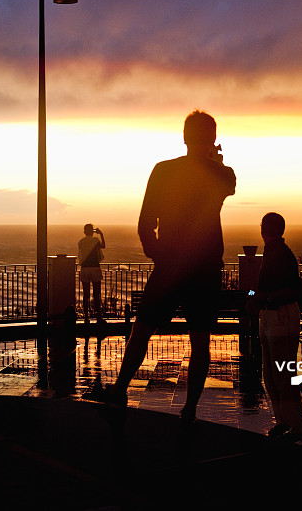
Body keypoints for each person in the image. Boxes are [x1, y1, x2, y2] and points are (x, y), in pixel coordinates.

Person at [84, 110, 236, 425]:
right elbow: (229, 185)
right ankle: (190, 410)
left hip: (169, 266)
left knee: (141, 329)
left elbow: (145, 222)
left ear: (183, 137)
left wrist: (158, 253)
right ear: (212, 139)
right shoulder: (222, 174)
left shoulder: (163, 170)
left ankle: (120, 389)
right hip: (206, 269)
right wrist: (215, 159)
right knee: (200, 341)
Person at [248, 212, 302, 443]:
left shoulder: (281, 254)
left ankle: (299, 424)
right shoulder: (271, 252)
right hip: (269, 316)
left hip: (280, 316)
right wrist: (253, 296)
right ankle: (284, 421)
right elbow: (258, 290)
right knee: (270, 374)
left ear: (264, 229)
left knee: (282, 374)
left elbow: (293, 290)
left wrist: (263, 297)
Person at [77, 224, 106, 324]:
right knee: (96, 294)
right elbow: (103, 246)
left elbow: (82, 254)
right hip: (94, 268)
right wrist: (101, 234)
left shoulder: (81, 242)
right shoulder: (95, 241)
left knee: (86, 294)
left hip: (84, 268)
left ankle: (86, 317)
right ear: (92, 232)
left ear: (85, 232)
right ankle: (98, 316)